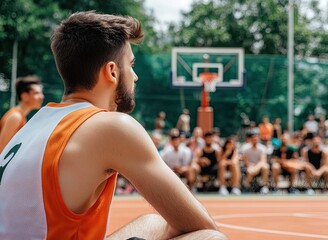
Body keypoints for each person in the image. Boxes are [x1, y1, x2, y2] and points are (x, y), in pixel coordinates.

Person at [0, 11, 225, 239]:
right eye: (131, 64)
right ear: (112, 71)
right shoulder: (111, 126)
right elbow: (202, 225)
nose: (135, 76)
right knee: (211, 238)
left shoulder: (36, 123)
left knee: (154, 222)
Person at [0, 75, 44, 153]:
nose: (42, 97)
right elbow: (1, 149)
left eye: (41, 93)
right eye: (36, 93)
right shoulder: (15, 117)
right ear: (25, 96)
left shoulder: (21, 116)